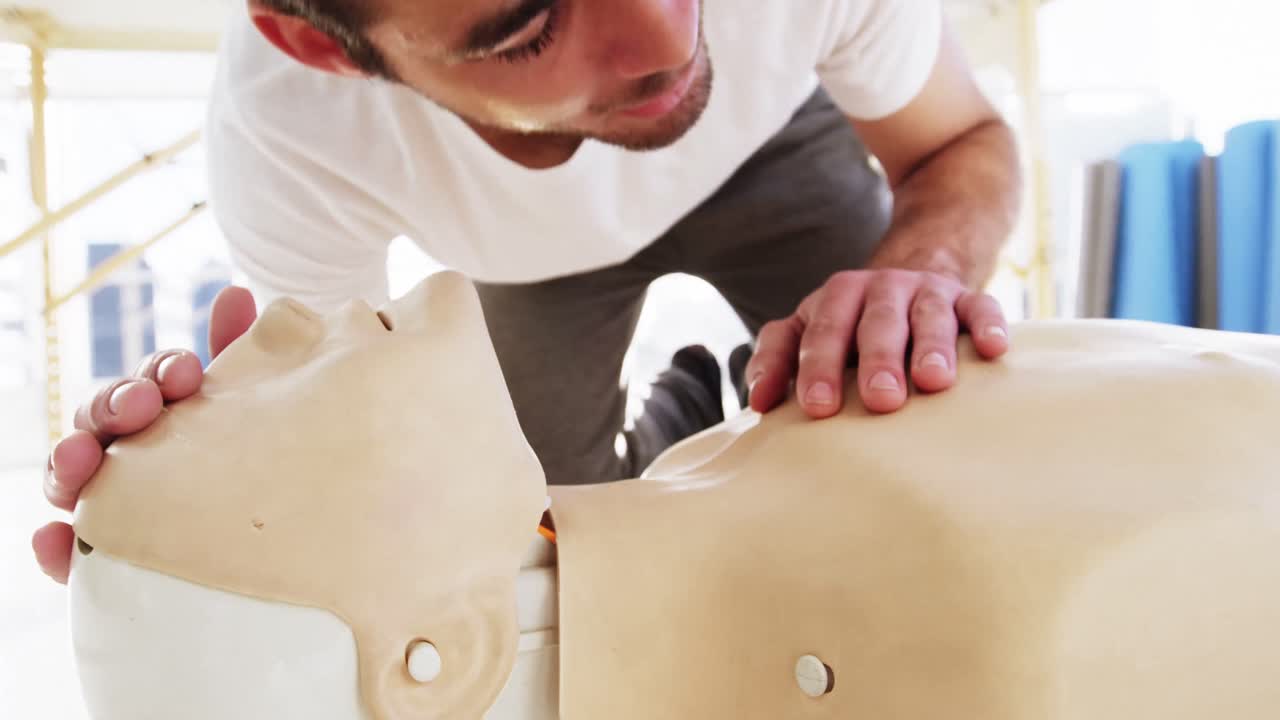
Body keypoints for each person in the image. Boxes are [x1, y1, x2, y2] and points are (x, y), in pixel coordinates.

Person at [34, 0, 1019, 582]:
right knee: (539, 542)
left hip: (773, 155)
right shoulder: (286, 132)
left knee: (898, 426)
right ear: (326, 49)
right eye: (528, 26)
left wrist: (919, 277)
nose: (668, 42)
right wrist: (222, 540)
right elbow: (346, 441)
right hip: (526, 260)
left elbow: (961, 142)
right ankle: (687, 406)